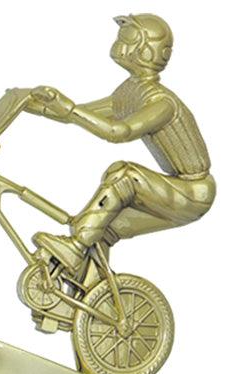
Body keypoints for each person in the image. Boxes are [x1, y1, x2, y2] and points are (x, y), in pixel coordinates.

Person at [26, 13, 216, 274]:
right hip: (178, 187)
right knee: (102, 230)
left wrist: (69, 109)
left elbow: (119, 132)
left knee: (123, 174)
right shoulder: (130, 91)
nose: (119, 43)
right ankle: (93, 288)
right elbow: (84, 113)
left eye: (128, 38)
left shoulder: (161, 102)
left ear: (147, 50)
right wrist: (33, 105)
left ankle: (76, 246)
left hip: (192, 193)